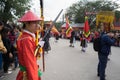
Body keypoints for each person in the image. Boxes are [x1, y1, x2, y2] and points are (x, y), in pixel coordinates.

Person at [16, 10, 43, 80]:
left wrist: (38, 46)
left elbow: (33, 54)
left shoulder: (27, 37)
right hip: (28, 74)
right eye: (35, 23)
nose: (38, 25)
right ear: (26, 23)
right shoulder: (27, 39)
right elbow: (30, 62)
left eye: (38, 23)